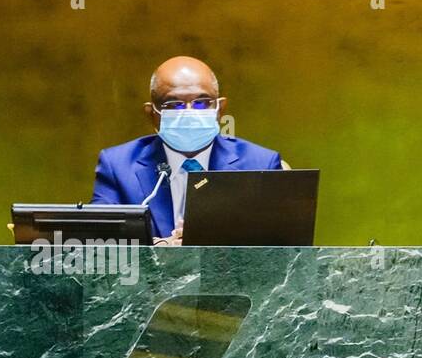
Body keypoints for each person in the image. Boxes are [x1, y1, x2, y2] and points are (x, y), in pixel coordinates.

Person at [91, 56, 283, 244]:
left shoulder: (260, 165)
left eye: (202, 102)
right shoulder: (117, 165)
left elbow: (281, 246)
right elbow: (99, 239)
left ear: (220, 108)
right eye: (174, 105)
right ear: (152, 114)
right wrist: (160, 247)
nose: (190, 112)